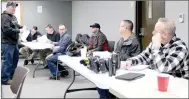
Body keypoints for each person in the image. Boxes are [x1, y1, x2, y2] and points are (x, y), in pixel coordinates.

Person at [122, 18, 189, 79]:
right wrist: (130, 62)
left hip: (177, 86)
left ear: (165, 35)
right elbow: (145, 56)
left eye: (155, 31)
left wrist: (157, 48)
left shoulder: (180, 48)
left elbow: (163, 69)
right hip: (157, 80)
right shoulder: (155, 43)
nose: (152, 33)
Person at [1, 2, 24, 85]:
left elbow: (16, 25)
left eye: (15, 7)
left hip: (14, 43)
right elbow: (6, 30)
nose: (14, 8)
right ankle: (4, 79)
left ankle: (11, 77)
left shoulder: (13, 17)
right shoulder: (5, 16)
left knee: (14, 61)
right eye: (12, 7)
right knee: (7, 62)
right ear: (7, 7)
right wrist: (19, 31)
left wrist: (23, 27)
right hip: (7, 43)